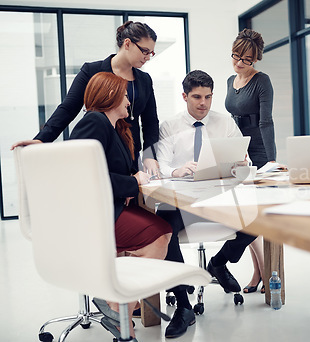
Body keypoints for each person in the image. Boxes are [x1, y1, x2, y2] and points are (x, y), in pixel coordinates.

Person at [69, 72, 172, 340]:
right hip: (96, 214)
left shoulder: (116, 128)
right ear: (110, 96)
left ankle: (119, 313)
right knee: (159, 237)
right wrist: (130, 183)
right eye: (125, 95)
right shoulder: (93, 122)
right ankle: (117, 303)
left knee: (161, 231)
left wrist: (130, 184)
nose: (129, 101)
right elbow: (83, 173)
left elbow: (107, 170)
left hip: (111, 206)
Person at [156, 70, 257, 338]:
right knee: (164, 229)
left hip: (217, 196)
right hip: (180, 199)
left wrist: (240, 164)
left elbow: (241, 157)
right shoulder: (170, 126)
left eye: (209, 97)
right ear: (184, 96)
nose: (204, 103)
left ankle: (219, 262)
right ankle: (183, 306)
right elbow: (162, 165)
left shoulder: (225, 123)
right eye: (197, 97)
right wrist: (176, 171)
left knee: (259, 218)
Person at [11, 20, 160, 176]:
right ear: (127, 43)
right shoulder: (92, 71)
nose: (148, 57)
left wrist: (150, 155)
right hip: (100, 152)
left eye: (151, 53)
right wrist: (42, 139)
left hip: (130, 155)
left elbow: (151, 122)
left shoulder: (144, 80)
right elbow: (68, 108)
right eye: (145, 51)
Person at [225, 28, 276, 294]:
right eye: (236, 57)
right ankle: (259, 272)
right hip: (239, 152)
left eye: (246, 59)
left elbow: (266, 121)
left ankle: (269, 273)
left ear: (255, 60)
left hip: (259, 150)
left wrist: (272, 161)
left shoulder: (262, 81)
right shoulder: (229, 81)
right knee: (246, 216)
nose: (239, 63)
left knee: (258, 216)